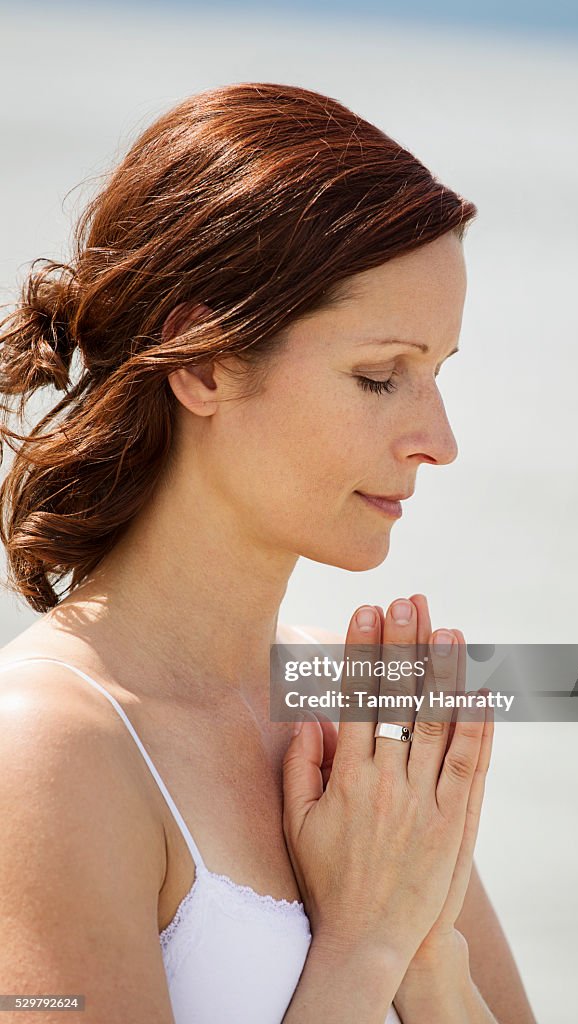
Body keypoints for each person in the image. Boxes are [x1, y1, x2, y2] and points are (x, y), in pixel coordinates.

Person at [0, 83, 536, 1023]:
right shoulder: (49, 748)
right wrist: (364, 951)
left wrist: (430, 964)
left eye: (439, 373)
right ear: (202, 362)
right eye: (379, 377)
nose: (440, 439)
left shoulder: (359, 705)